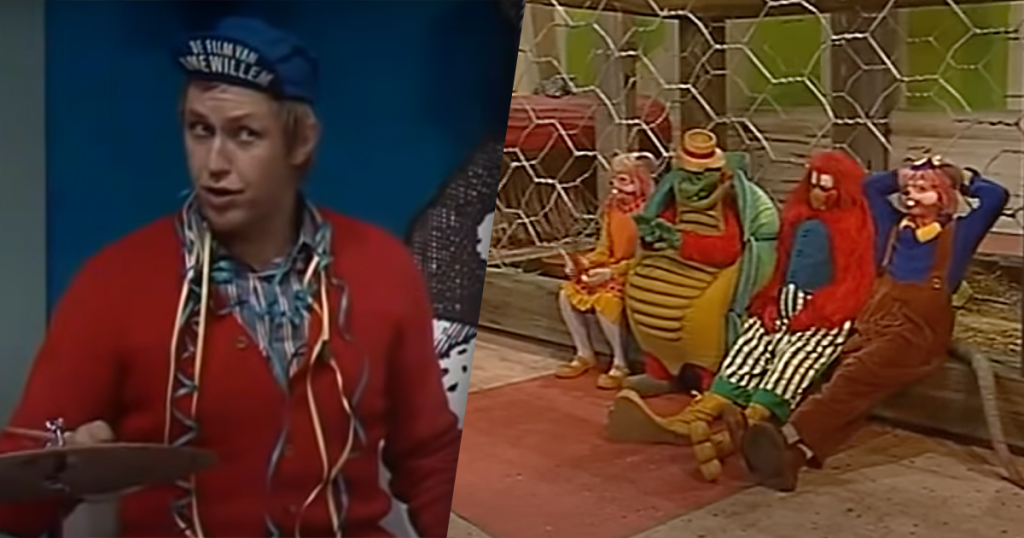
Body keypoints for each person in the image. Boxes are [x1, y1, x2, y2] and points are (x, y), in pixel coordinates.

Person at [0, 17, 460, 538]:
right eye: (200, 130)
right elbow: (18, 492)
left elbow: (430, 456)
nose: (214, 164)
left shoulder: (382, 268)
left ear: (300, 141)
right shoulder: (114, 282)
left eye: (245, 135)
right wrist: (66, 466)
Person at [742, 156, 1009, 492]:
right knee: (853, 386)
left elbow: (996, 196)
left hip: (916, 333)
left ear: (943, 197)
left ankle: (786, 435)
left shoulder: (958, 235)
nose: (911, 197)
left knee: (855, 376)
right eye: (908, 191)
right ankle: (792, 460)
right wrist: (903, 175)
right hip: (875, 320)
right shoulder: (894, 226)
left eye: (923, 190)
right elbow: (868, 189)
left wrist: (960, 174)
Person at [610, 150, 877, 482]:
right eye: (813, 185)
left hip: (823, 311)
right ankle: (698, 415)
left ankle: (746, 425)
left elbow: (854, 279)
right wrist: (770, 298)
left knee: (793, 360)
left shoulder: (853, 227)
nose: (817, 194)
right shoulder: (797, 219)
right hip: (783, 300)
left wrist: (820, 311)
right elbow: (781, 266)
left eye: (826, 188)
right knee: (752, 343)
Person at [554, 152, 654, 389]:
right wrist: (583, 263)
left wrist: (611, 273)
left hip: (638, 271)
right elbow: (604, 248)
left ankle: (620, 363)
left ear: (640, 181)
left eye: (623, 180)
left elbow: (647, 256)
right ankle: (584, 353)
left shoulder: (650, 212)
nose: (616, 188)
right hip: (613, 266)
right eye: (614, 180)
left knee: (607, 299)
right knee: (567, 293)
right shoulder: (613, 208)